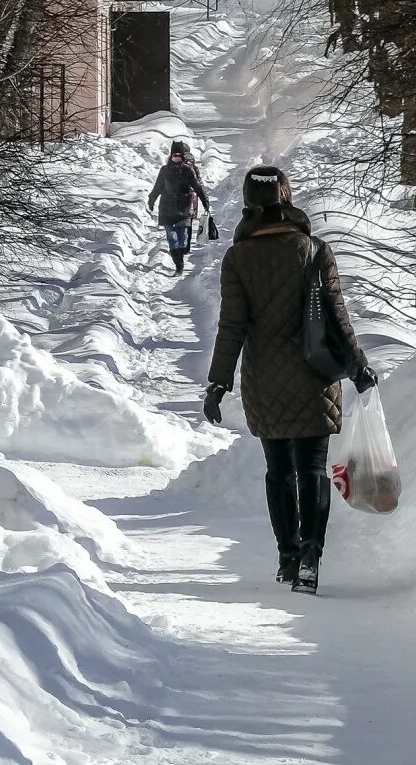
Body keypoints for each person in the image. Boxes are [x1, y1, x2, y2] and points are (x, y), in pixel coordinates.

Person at [202, 165, 377, 594]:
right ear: (287, 198)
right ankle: (311, 556)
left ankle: (287, 555)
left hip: (264, 379)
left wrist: (219, 382)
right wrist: (357, 367)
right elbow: (338, 318)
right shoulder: (314, 250)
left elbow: (232, 326)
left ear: (249, 202)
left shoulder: (239, 258)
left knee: (278, 470)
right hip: (315, 376)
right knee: (313, 469)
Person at [147, 140, 209, 275]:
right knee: (172, 237)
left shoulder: (188, 170)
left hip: (184, 209)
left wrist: (205, 201)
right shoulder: (164, 170)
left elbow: (197, 187)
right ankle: (179, 266)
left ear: (183, 157)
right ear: (171, 156)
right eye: (174, 155)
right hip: (167, 208)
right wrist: (151, 199)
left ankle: (180, 257)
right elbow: (157, 187)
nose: (176, 158)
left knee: (183, 238)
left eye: (179, 156)